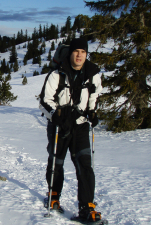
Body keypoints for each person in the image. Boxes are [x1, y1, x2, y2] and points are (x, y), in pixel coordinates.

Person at [39, 38, 103, 222]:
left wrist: (92, 112)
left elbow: (95, 94)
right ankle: (53, 195)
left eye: (83, 52)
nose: (79, 55)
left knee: (85, 165)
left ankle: (87, 207)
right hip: (60, 125)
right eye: (76, 51)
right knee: (56, 163)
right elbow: (44, 100)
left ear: (86, 53)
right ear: (71, 53)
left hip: (81, 125)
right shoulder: (57, 74)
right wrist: (55, 114)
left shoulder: (93, 73)